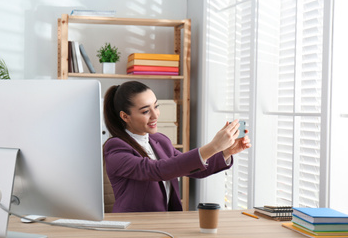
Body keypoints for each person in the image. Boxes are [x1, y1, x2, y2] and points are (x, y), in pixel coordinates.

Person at [103, 81, 251, 212]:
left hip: (165, 222)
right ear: (125, 116)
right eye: (146, 111)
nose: (155, 115)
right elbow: (156, 170)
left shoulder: (160, 140)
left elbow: (190, 168)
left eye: (156, 106)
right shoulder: (115, 148)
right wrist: (213, 146)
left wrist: (225, 152)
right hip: (134, 226)